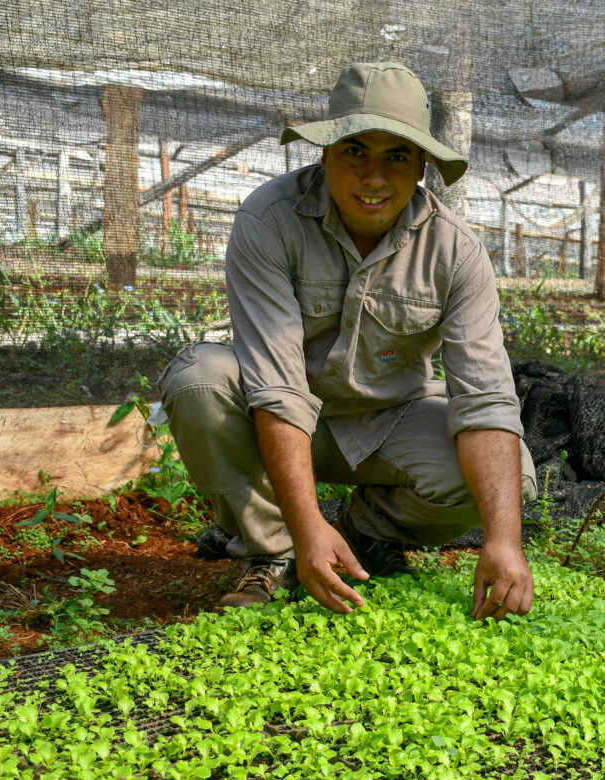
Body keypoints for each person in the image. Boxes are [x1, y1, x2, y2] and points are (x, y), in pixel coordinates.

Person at [158, 62, 537, 622]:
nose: (374, 176)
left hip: (390, 418)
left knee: (510, 478)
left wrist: (506, 541)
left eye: (397, 156)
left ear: (423, 167)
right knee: (199, 381)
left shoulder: (455, 252)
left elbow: (484, 399)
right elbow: (279, 387)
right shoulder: (270, 221)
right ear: (325, 153)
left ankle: (364, 533)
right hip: (283, 418)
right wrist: (306, 525)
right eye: (356, 151)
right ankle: (276, 549)